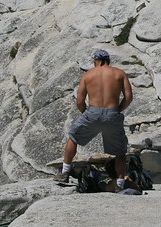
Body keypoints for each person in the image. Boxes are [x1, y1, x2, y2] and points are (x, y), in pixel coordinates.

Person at [55, 51, 132, 189]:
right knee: (120, 150)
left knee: (73, 137)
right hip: (113, 113)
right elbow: (128, 98)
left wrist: (87, 113)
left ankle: (65, 172)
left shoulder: (88, 75)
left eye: (94, 62)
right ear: (107, 60)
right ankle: (120, 184)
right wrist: (117, 110)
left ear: (97, 61)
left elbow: (80, 101)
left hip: (92, 112)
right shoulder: (120, 73)